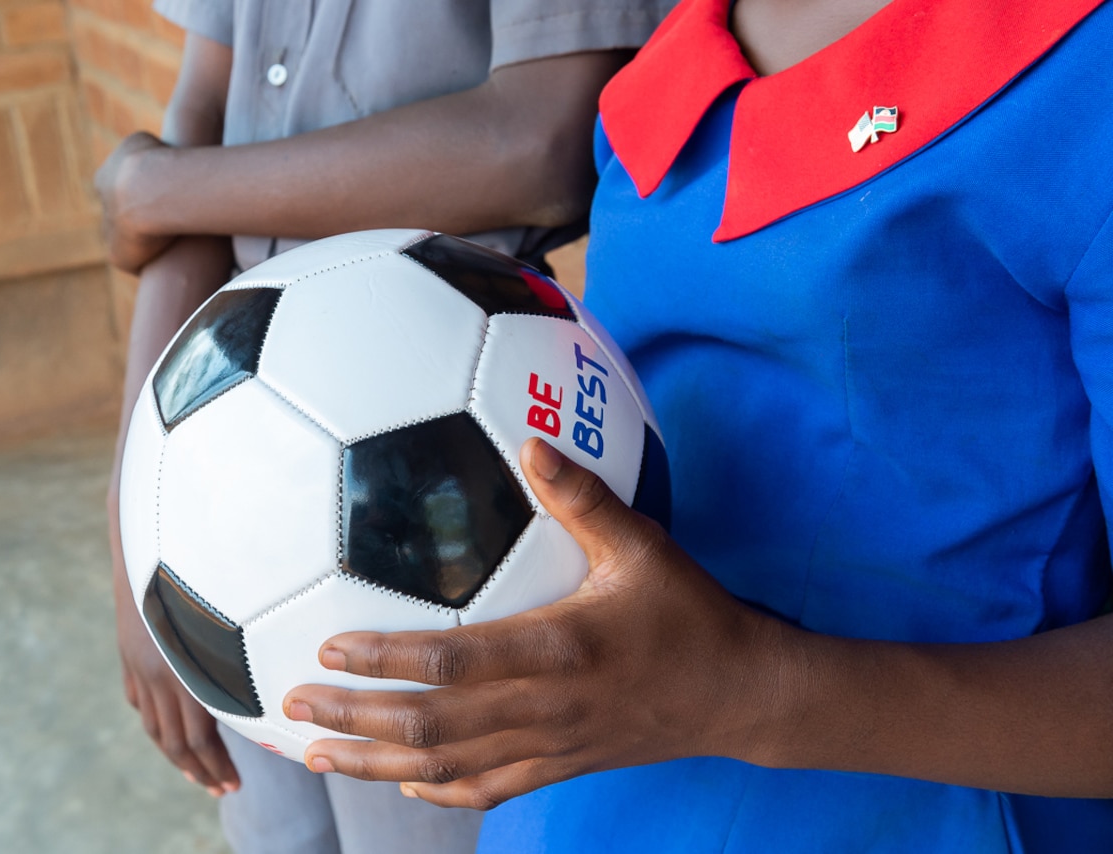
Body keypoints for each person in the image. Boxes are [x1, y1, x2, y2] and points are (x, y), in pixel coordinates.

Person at [274, 0, 1113, 850]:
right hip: (587, 801)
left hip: (916, 812)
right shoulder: (676, 63)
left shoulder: (1078, 82)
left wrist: (746, 693)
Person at [96, 2, 677, 852]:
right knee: (276, 826)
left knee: (426, 794)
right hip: (223, 426)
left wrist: (153, 190)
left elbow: (540, 146)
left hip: (438, 422)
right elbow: (194, 132)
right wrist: (130, 523)